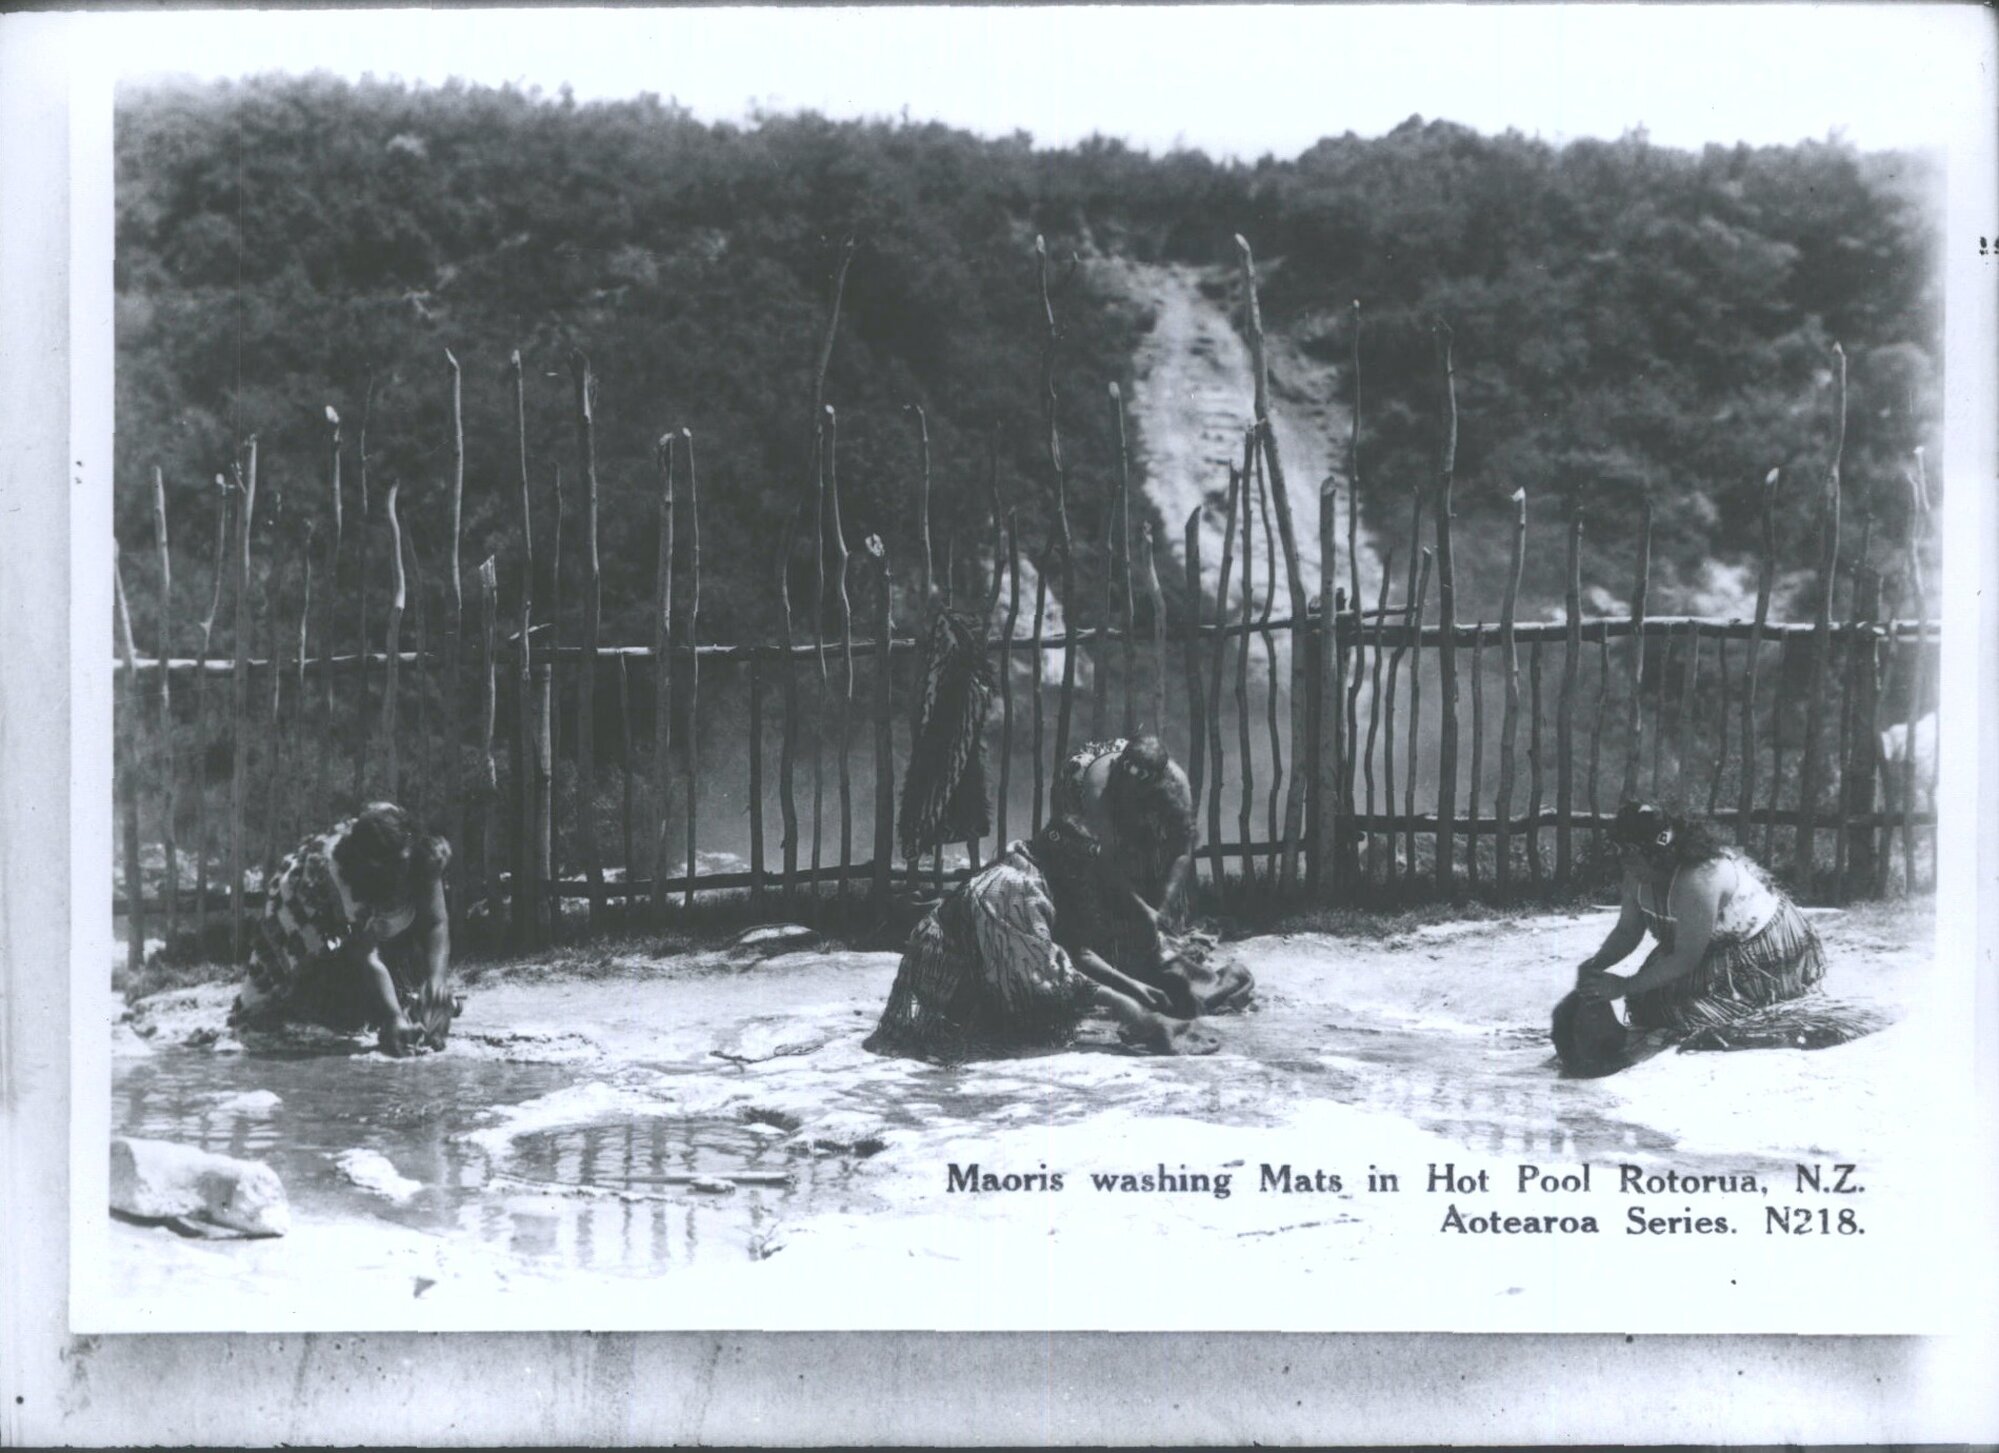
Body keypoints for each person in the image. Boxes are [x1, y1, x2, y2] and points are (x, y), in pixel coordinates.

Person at [863, 816, 1219, 1063]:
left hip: (984, 981)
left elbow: (1074, 949)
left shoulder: (1046, 874)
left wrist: (1134, 990)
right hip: (944, 1004)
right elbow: (1045, 974)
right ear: (1071, 862)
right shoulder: (1012, 887)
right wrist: (1138, 1018)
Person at [1559, 801, 1825, 1071]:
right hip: (1704, 943)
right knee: (1647, 1001)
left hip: (1758, 949)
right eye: (1622, 853)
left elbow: (1685, 958)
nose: (1624, 862)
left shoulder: (1698, 879)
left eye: (1630, 854)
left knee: (1685, 1012)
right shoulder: (1636, 874)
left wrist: (1622, 986)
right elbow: (1628, 931)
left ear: (1656, 854)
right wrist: (1597, 965)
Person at [229, 802, 459, 1056]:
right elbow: (366, 954)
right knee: (281, 1014)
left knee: (411, 987)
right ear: (379, 872)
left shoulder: (419, 852)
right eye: (398, 869)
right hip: (310, 912)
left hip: (373, 918)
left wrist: (436, 981)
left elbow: (435, 923)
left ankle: (399, 1000)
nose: (405, 874)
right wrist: (393, 1017)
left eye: (407, 865)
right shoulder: (341, 879)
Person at [1051, 736, 1253, 1016]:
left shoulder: (1175, 784)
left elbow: (1182, 849)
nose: (1131, 791)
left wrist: (1164, 905)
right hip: (1079, 785)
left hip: (1139, 792)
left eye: (1139, 787)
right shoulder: (1095, 787)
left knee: (1141, 917)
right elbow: (1102, 858)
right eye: (1128, 786)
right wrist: (1142, 907)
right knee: (1082, 872)